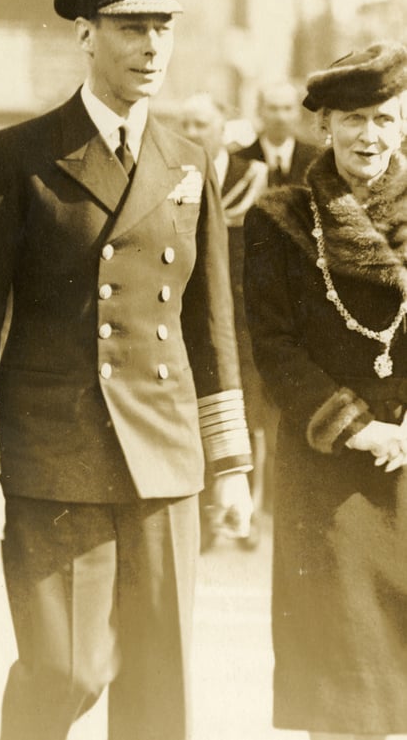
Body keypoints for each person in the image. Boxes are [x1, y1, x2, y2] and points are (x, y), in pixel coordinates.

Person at [0, 0, 253, 740]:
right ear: (86, 35)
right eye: (130, 27)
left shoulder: (189, 162)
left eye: (163, 27)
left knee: (160, 687)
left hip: (165, 454)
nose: (152, 47)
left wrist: (230, 466)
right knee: (65, 671)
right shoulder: (16, 157)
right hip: (55, 456)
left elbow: (209, 326)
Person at [243, 41, 407, 740]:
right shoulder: (279, 218)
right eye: (352, 120)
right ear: (325, 126)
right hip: (329, 474)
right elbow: (272, 346)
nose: (368, 136)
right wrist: (356, 426)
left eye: (384, 119)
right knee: (345, 689)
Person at [180, 91, 267, 550]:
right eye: (187, 125)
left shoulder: (249, 177)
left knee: (245, 415)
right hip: (190, 314)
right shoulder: (174, 171)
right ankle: (202, 520)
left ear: (222, 128)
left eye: (202, 124)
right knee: (196, 416)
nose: (193, 133)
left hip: (245, 317)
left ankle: (242, 513)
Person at [237, 79, 317, 186]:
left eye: (288, 108)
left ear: (299, 113)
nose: (281, 118)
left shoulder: (316, 159)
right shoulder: (240, 161)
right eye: (273, 109)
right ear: (259, 112)